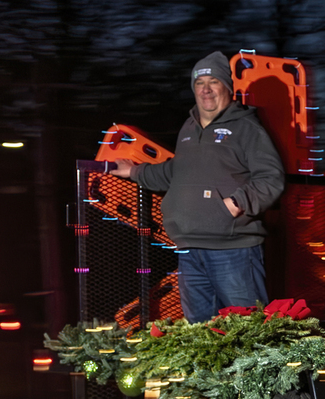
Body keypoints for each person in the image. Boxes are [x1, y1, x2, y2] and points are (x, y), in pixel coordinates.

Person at [111, 51, 284, 322]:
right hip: (190, 251)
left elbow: (271, 179)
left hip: (233, 250)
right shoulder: (189, 128)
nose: (205, 89)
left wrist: (235, 204)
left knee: (249, 332)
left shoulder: (247, 128)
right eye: (199, 82)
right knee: (201, 337)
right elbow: (175, 171)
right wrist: (134, 171)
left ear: (227, 86)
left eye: (213, 81)